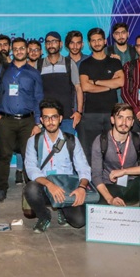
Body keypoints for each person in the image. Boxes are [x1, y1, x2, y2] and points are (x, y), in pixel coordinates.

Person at [23, 99, 95, 233]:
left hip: (66, 187)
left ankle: (62, 209)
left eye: (54, 117)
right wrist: (50, 185)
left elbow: (84, 168)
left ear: (60, 119)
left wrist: (81, 188)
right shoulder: (33, 141)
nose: (50, 121)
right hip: (45, 186)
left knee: (79, 222)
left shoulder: (71, 140)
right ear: (41, 120)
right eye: (46, 118)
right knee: (31, 189)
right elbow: (31, 169)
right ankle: (44, 216)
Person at [0, 37, 43, 202]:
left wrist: (38, 122)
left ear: (27, 50)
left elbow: (38, 98)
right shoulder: (4, 70)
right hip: (6, 120)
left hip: (28, 121)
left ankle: (31, 191)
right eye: (16, 49)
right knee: (3, 156)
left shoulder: (34, 73)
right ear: (12, 51)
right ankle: (1, 188)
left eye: (22, 48)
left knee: (29, 157)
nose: (19, 51)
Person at [90, 103, 140, 208]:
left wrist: (124, 171)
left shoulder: (139, 139)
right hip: (109, 187)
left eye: (128, 118)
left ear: (132, 122)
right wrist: (110, 199)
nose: (124, 123)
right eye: (120, 117)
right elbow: (96, 176)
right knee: (99, 208)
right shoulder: (101, 140)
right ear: (112, 120)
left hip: (131, 186)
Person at [78, 27, 124, 157]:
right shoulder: (85, 64)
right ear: (89, 43)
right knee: (92, 149)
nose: (97, 43)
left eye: (99, 40)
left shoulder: (115, 62)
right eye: (93, 40)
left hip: (111, 113)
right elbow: (85, 87)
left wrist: (95, 81)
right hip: (91, 113)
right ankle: (93, 171)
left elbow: (120, 82)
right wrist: (109, 86)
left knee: (113, 149)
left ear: (105, 41)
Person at [39, 31, 83, 136]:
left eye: (54, 41)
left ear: (61, 44)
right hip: (46, 118)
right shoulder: (39, 64)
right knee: (46, 146)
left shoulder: (69, 63)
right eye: (48, 42)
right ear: (45, 45)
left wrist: (79, 112)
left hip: (67, 117)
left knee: (67, 145)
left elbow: (78, 88)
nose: (51, 44)